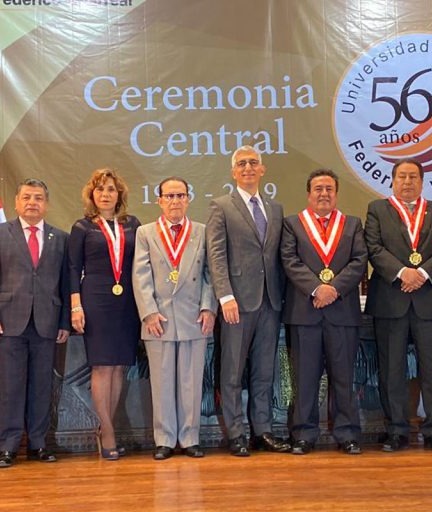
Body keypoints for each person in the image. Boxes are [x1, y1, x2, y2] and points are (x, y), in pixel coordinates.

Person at [364, 158, 432, 453]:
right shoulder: (377, 210)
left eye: (413, 177)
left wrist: (423, 274)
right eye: (402, 176)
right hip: (391, 299)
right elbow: (374, 248)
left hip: (428, 300)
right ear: (392, 181)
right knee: (391, 369)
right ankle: (396, 431)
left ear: (422, 181)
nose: (407, 182)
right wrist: (403, 273)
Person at [0, 178, 70, 468]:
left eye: (39, 198)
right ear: (16, 202)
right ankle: (7, 446)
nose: (32, 202)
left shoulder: (60, 238)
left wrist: (64, 321)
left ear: (46, 204)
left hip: (47, 324)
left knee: (42, 386)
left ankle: (39, 444)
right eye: (27, 197)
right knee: (11, 387)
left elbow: (66, 286)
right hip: (8, 324)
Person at [205, 145, 290, 456]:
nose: (248, 168)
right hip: (236, 303)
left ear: (263, 169)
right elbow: (216, 256)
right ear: (233, 172)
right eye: (241, 163)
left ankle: (263, 431)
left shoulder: (275, 208)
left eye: (253, 162)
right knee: (231, 371)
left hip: (270, 301)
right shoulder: (221, 206)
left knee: (264, 371)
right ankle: (237, 433)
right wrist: (224, 295)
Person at [280, 169, 367, 455]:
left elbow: (359, 261)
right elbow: (290, 261)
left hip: (342, 312)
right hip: (305, 313)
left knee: (344, 377)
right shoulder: (292, 224)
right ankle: (304, 434)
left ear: (336, 193)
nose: (324, 194)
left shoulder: (352, 224)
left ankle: (347, 434)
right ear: (309, 193)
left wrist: (333, 289)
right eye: (318, 188)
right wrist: (318, 289)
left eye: (329, 188)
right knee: (305, 379)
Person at [132, 176, 216, 460]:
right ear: (159, 200)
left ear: (188, 199)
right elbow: (140, 276)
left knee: (192, 382)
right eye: (169, 196)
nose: (175, 201)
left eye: (180, 195)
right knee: (162, 381)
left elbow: (210, 275)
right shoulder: (146, 233)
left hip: (194, 316)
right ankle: (165, 439)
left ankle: (190, 438)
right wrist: (149, 312)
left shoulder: (202, 231)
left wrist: (208, 307)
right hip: (160, 319)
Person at [68, 169, 141, 460]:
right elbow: (73, 269)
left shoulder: (133, 224)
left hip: (127, 302)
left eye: (111, 189)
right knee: (101, 366)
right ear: (92, 195)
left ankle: (105, 427)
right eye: (100, 190)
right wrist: (76, 306)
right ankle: (108, 432)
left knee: (118, 367)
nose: (105, 194)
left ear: (119, 194)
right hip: (95, 299)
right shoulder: (82, 227)